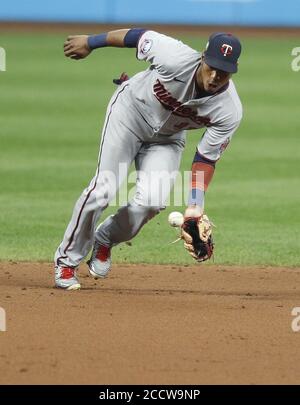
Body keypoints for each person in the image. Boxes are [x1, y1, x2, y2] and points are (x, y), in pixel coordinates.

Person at [54, 28, 243, 290]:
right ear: (202, 57)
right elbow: (137, 35)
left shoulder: (229, 110)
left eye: (224, 72)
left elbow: (205, 158)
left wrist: (195, 205)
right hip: (129, 115)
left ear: (233, 71)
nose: (215, 76)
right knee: (103, 189)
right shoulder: (173, 56)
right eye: (212, 67)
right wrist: (90, 42)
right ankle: (67, 261)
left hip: (167, 140)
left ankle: (105, 239)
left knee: (153, 201)